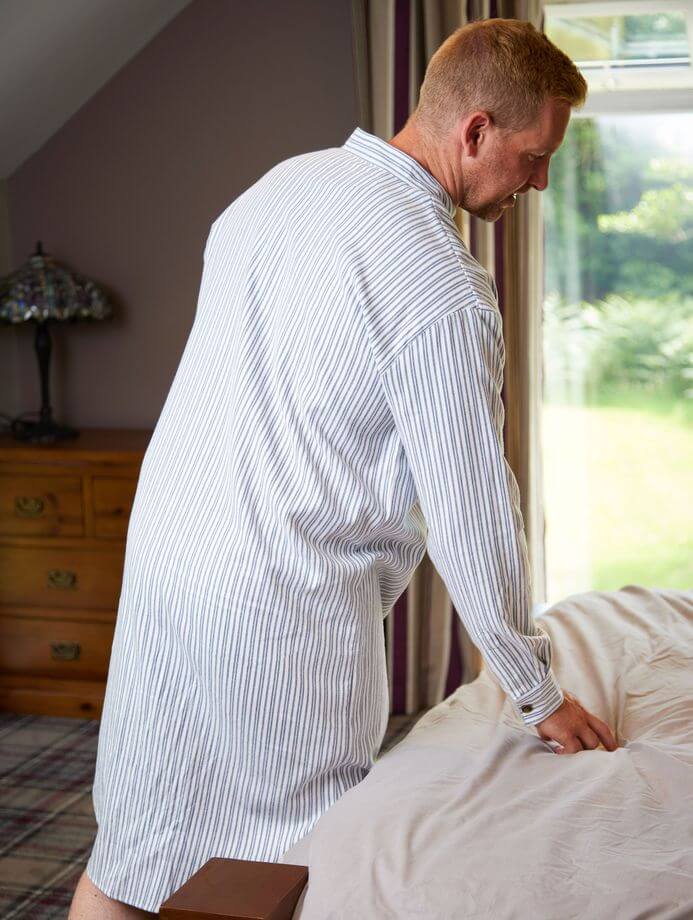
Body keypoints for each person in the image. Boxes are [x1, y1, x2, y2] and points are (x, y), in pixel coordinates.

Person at [69, 16, 618, 920]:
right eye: (532, 156)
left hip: (167, 568)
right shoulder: (438, 282)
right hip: (283, 606)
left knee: (136, 840)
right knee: (285, 871)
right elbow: (471, 506)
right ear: (474, 129)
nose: (539, 180)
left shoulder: (274, 191)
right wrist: (536, 690)